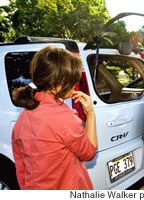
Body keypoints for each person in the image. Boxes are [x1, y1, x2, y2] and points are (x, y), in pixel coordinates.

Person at [12, 46, 97, 190]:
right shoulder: (64, 117)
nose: (75, 85)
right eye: (71, 81)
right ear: (53, 84)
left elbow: (21, 168)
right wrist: (90, 114)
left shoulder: (23, 118)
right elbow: (89, 153)